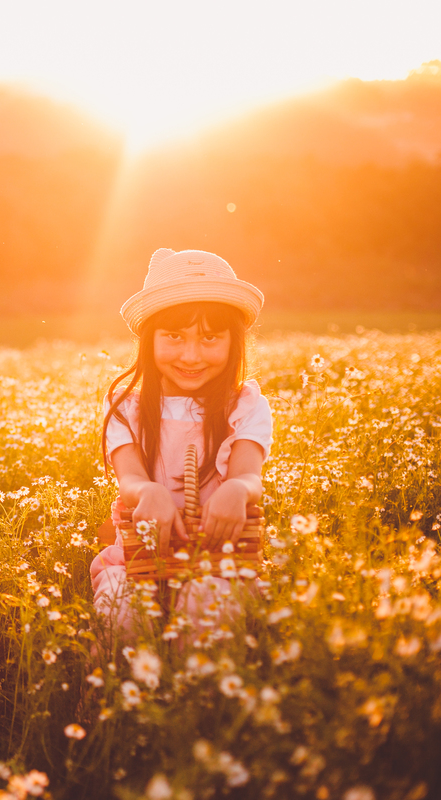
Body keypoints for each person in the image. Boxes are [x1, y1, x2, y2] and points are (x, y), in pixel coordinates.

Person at [89, 249, 272, 642]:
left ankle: (203, 702)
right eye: (174, 337)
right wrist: (148, 492)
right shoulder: (127, 405)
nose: (191, 355)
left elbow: (248, 475)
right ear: (150, 339)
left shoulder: (246, 405)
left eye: (210, 338)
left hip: (220, 560)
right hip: (136, 558)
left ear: (233, 341)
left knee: (206, 608)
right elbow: (130, 478)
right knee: (122, 615)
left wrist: (237, 490)